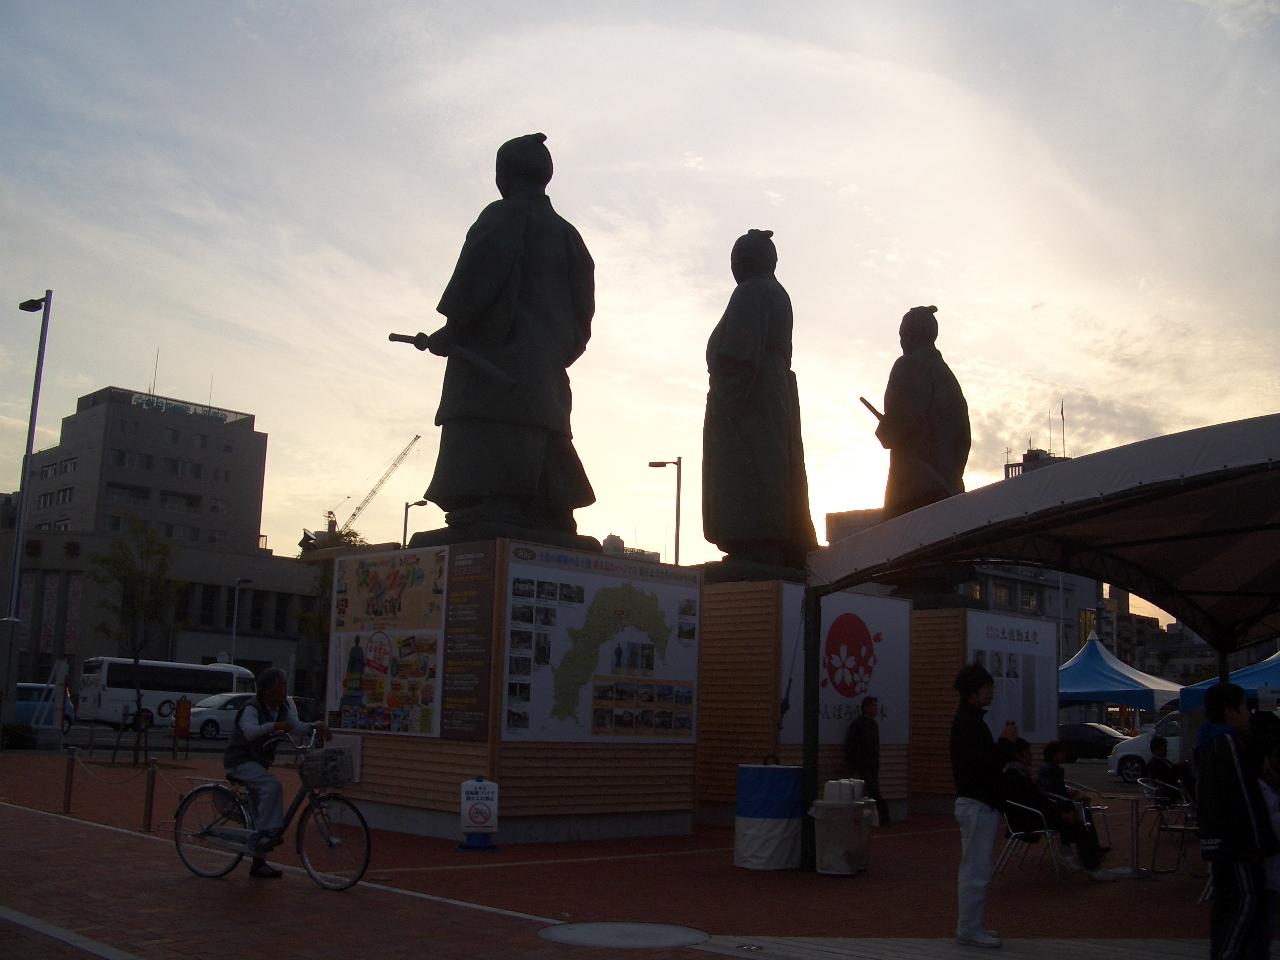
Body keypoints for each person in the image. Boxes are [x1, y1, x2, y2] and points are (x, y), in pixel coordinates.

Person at [423, 132, 596, 535]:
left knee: (490, 427)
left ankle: (496, 502)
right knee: (541, 426)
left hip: (494, 356)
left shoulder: (503, 216)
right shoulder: (568, 234)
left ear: (503, 175)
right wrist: (559, 352)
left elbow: (480, 273)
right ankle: (550, 508)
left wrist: (454, 328)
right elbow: (583, 309)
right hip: (545, 364)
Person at [702, 229, 817, 570]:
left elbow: (738, 353)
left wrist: (725, 392)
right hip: (771, 389)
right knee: (772, 461)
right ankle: (771, 537)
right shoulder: (777, 293)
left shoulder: (751, 291)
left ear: (741, 261)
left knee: (750, 463)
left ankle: (754, 539)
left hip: (750, 393)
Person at [1196, 682, 1278, 960]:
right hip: (1238, 845)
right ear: (1230, 711)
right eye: (1243, 708)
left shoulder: (1208, 742)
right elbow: (1241, 796)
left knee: (1230, 904)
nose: (1247, 714)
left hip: (1223, 843)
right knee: (1245, 901)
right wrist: (1258, 842)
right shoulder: (1227, 742)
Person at [224, 668, 329, 879]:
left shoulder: (282, 708)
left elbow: (296, 727)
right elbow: (250, 731)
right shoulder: (252, 708)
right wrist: (274, 726)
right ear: (268, 689)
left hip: (258, 764)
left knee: (260, 804)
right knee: (272, 785)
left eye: (284, 685)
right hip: (240, 761)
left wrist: (315, 727)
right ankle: (268, 832)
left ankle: (259, 862)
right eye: (280, 685)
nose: (284, 689)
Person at [874, 305, 970, 518]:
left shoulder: (908, 366)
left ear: (910, 335)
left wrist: (885, 429)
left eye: (902, 336)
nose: (901, 343)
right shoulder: (948, 378)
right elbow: (963, 437)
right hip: (950, 489)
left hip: (914, 491)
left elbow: (896, 429)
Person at [950, 662, 1016, 949]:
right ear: (973, 692)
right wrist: (1005, 744)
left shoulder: (968, 722)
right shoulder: (970, 725)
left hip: (977, 803)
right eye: (987, 687)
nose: (991, 692)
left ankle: (972, 926)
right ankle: (969, 928)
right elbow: (986, 764)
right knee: (975, 870)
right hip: (977, 804)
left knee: (976, 868)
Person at [1001, 738, 1105, 875]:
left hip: (1033, 816)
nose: (1031, 756)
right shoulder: (1015, 776)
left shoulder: (1019, 773)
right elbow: (1034, 801)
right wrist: (1060, 813)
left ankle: (1079, 856)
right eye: (1027, 752)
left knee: (1074, 822)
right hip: (1029, 820)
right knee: (1076, 824)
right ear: (1018, 755)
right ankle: (1088, 863)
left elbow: (1039, 799)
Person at [844, 695, 889, 824]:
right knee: (872, 791)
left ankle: (874, 818)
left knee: (871, 791)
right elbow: (850, 745)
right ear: (866, 707)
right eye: (873, 706)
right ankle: (883, 817)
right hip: (862, 764)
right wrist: (854, 763)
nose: (876, 709)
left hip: (872, 763)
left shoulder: (873, 724)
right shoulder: (858, 725)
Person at [1147, 736, 1182, 804]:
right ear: (1157, 750)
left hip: (1172, 788)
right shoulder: (1155, 764)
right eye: (1164, 748)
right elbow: (1164, 780)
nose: (1166, 750)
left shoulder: (1162, 761)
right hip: (1168, 792)